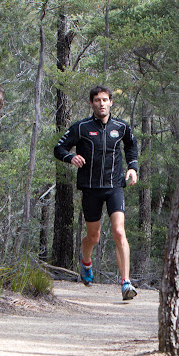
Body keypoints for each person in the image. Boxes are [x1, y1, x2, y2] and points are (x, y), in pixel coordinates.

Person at [54, 85, 139, 301]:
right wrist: (70, 157)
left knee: (119, 231)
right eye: (97, 100)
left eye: (105, 100)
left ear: (111, 102)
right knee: (94, 236)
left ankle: (126, 282)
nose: (101, 103)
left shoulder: (121, 127)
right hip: (90, 188)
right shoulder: (81, 127)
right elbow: (59, 148)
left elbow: (131, 146)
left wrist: (132, 167)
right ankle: (86, 261)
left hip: (115, 186)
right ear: (91, 103)